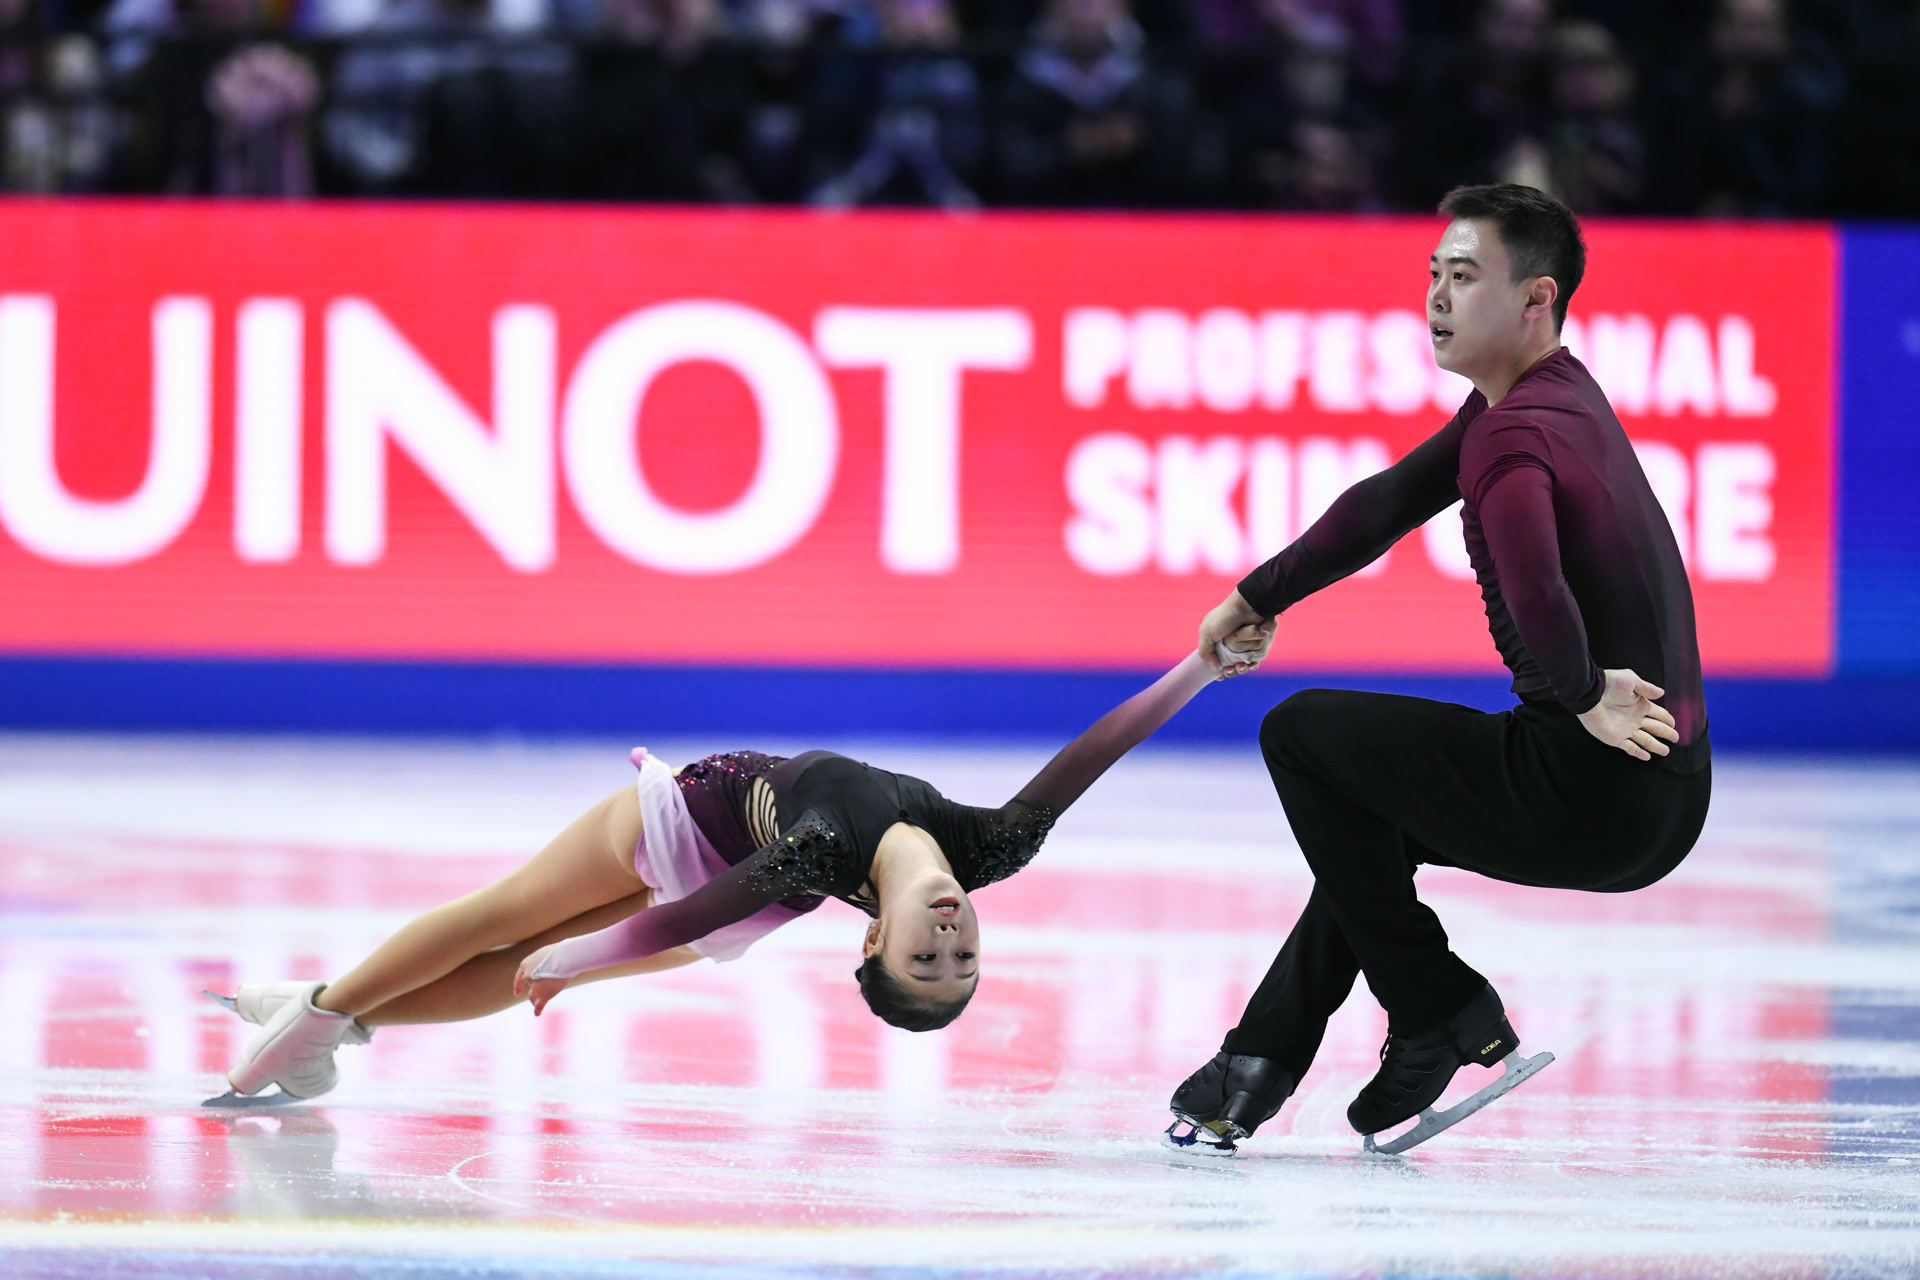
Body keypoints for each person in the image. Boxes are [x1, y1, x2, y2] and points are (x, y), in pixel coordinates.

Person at [1167, 182, 1711, 1153]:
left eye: (1464, 276)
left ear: (1537, 298)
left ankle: (1439, 1005)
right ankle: (1256, 1063)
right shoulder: (1547, 397)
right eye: (1433, 275)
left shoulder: (1512, 432)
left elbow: (1538, 584)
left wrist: (1584, 692)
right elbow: (1383, 505)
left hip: (1593, 788)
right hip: (1664, 794)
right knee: (1368, 827)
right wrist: (1257, 595)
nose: (1436, 298)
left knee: (1300, 733)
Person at [210, 636, 1267, 1103]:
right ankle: (324, 1024)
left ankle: (317, 1019)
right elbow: (1095, 750)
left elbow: (686, 914)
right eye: (963, 957)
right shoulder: (992, 846)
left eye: (925, 957)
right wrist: (1202, 667)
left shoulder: (825, 847)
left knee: (510, 927)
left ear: (873, 937)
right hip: (729, 873)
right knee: (519, 942)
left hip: (708, 858)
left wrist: (583, 957)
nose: (950, 937)